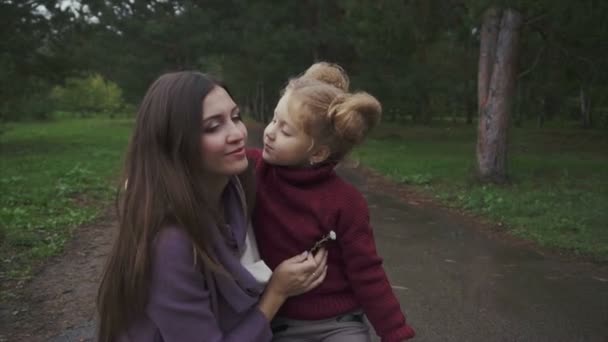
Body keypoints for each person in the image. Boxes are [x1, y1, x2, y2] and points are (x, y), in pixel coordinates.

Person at [96, 71, 328, 342]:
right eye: (212, 126)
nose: (237, 134)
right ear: (175, 143)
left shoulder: (236, 188)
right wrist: (277, 292)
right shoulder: (171, 244)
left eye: (235, 117)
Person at [247, 62, 415, 341]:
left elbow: (367, 273)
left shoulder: (346, 202)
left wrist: (396, 333)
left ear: (318, 152)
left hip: (337, 325)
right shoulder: (254, 170)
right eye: (274, 119)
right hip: (277, 321)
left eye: (286, 131)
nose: (270, 132)